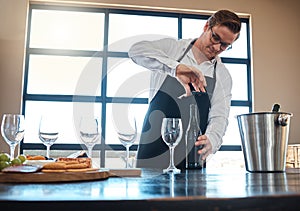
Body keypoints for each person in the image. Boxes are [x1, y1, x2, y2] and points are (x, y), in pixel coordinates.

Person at [128, 9, 241, 169]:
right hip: (152, 154)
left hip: (192, 158)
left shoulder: (222, 75)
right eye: (215, 38)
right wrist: (176, 68)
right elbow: (135, 51)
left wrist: (212, 140)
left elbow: (219, 117)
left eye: (224, 45)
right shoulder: (173, 49)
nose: (216, 47)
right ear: (206, 26)